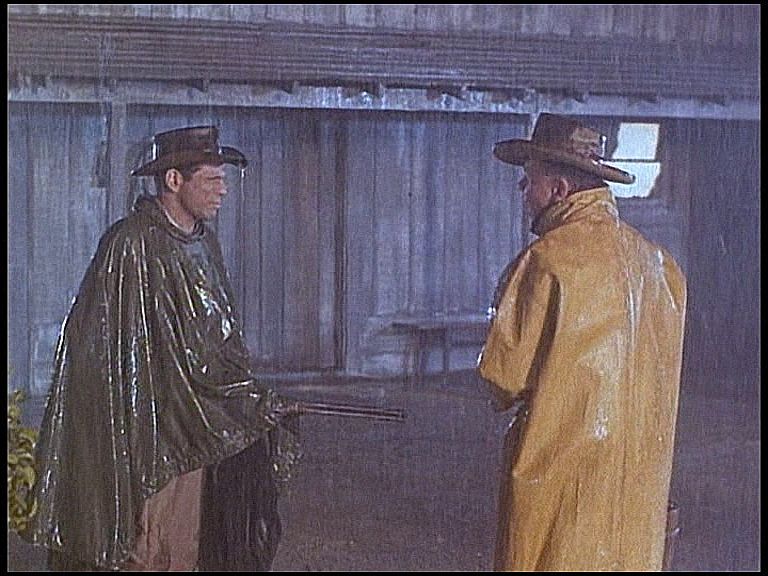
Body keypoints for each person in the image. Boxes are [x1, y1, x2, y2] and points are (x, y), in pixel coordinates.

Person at [21, 126, 300, 571]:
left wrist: (245, 400)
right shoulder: (129, 245)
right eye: (211, 179)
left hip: (192, 432)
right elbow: (98, 351)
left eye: (223, 179)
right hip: (144, 436)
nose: (223, 190)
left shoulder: (203, 244)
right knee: (143, 548)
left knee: (183, 546)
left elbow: (216, 341)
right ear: (173, 180)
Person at [477, 113, 687, 571]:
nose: (523, 190)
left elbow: (503, 378)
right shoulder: (660, 266)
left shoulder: (545, 263)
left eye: (529, 179)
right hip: (637, 492)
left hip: (561, 487)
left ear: (559, 190)